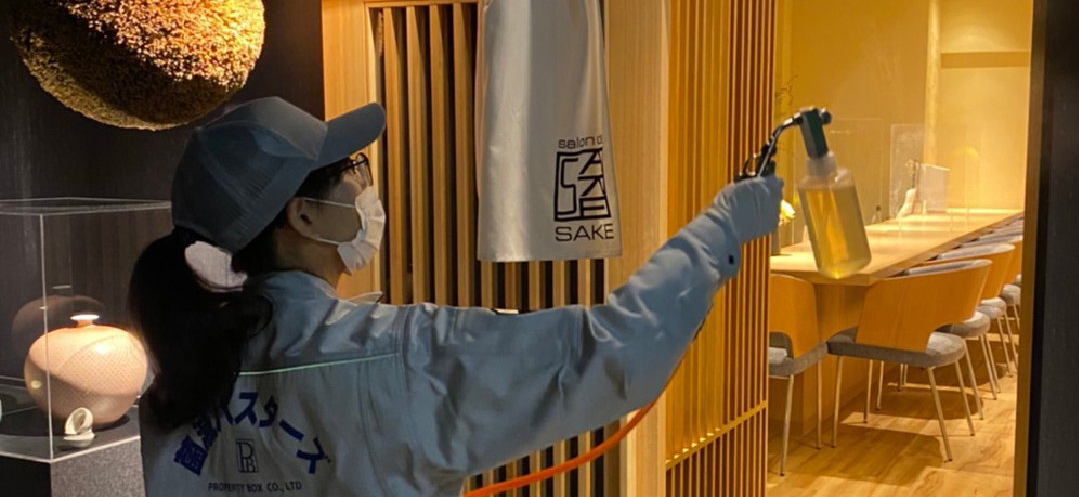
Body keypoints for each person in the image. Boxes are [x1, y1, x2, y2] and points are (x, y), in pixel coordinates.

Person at [131, 96, 782, 497]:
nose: (363, 188)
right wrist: (722, 228)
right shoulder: (397, 358)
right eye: (351, 172)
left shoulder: (180, 376)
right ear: (302, 216)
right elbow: (615, 352)